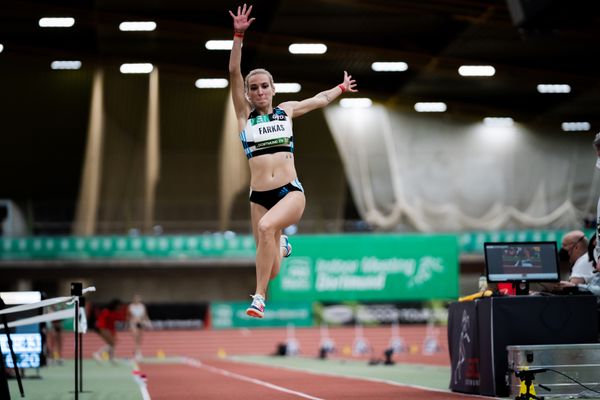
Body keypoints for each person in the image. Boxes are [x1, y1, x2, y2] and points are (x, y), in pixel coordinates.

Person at [228, 4, 358, 318]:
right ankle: (282, 245)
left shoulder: (285, 111)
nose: (259, 91)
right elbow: (234, 71)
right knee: (272, 267)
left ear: (273, 89)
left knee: (265, 227)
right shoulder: (244, 118)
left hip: (289, 192)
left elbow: (319, 99)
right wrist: (238, 35)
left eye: (264, 86)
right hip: (258, 196)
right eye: (253, 87)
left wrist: (340, 88)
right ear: (246, 94)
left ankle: (259, 298)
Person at [127, 294, 151, 361]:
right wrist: (127, 324)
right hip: (133, 323)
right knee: (135, 338)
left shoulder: (142, 306)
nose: (137, 300)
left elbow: (145, 315)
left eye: (138, 299)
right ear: (133, 299)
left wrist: (148, 322)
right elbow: (128, 316)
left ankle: (137, 352)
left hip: (141, 323)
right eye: (136, 298)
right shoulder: (130, 306)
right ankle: (137, 353)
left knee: (139, 339)